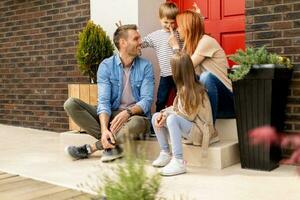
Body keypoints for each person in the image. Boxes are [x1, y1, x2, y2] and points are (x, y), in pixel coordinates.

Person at [64, 24, 154, 162]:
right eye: (136, 39)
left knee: (136, 123)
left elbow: (146, 101)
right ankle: (111, 145)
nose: (141, 42)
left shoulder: (146, 66)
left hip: (136, 117)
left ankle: (92, 147)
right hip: (113, 115)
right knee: (71, 104)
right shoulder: (106, 66)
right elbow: (104, 102)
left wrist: (128, 112)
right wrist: (104, 128)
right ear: (123, 43)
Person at [151, 52, 218, 176]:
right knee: (156, 116)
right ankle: (165, 153)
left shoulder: (195, 90)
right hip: (190, 128)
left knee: (172, 120)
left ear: (177, 72)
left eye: (172, 68)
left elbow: (188, 115)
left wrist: (167, 115)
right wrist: (163, 113)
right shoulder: (182, 88)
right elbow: (178, 109)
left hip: (200, 131)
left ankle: (179, 161)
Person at [168, 9, 235, 123]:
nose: (177, 30)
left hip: (228, 102)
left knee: (206, 77)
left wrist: (175, 47)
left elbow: (184, 69)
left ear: (187, 27)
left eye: (179, 26)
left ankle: (209, 128)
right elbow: (180, 75)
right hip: (212, 102)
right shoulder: (190, 48)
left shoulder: (206, 41)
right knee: (189, 81)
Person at [141, 2, 182, 112]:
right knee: (161, 99)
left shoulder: (179, 33)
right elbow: (142, 43)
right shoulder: (155, 36)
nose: (169, 25)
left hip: (180, 74)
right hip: (165, 75)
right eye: (165, 22)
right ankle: (156, 122)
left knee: (182, 98)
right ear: (160, 19)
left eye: (172, 23)